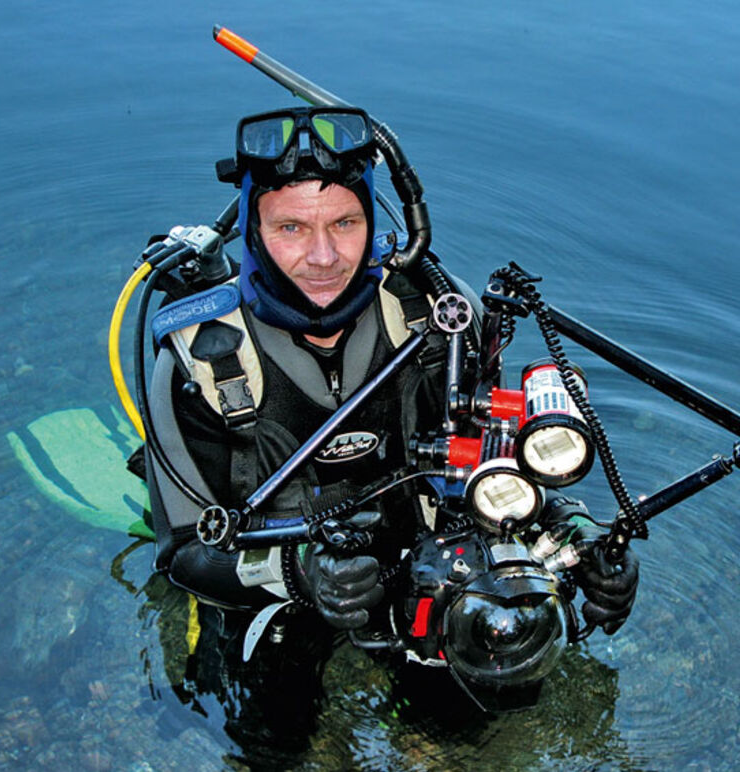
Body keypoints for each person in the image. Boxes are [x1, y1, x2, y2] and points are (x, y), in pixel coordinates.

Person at [142, 104, 638, 711]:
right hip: (278, 585)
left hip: (425, 569)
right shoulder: (201, 361)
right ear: (252, 231)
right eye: (291, 228)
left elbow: (501, 467)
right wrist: (300, 574)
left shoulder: (437, 319)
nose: (324, 257)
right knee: (267, 732)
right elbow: (185, 552)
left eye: (345, 223)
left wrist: (580, 539)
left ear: (375, 221)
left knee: (473, 710)